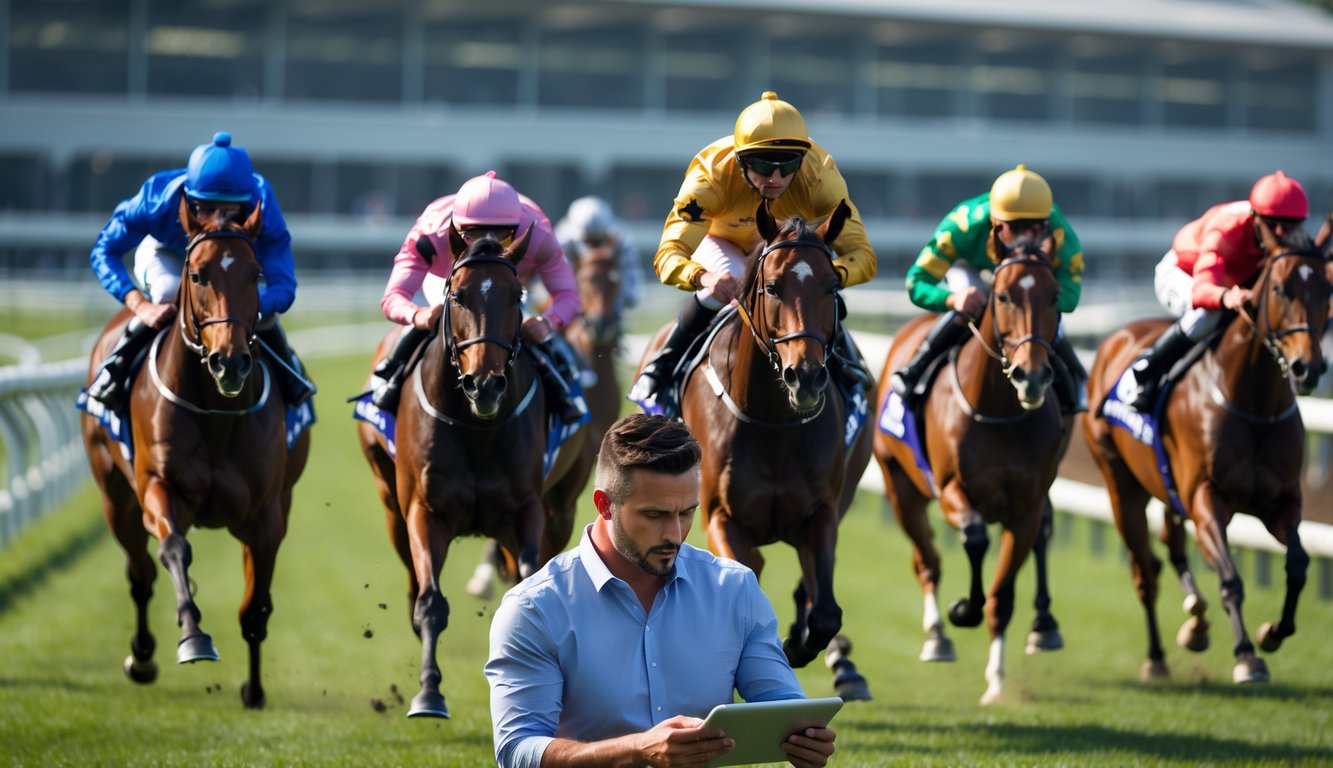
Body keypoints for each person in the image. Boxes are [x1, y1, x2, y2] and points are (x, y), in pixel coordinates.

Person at [485, 413, 837, 768]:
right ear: (605, 505)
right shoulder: (534, 609)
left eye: (686, 513)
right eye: (655, 515)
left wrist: (805, 739)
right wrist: (637, 750)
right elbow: (517, 751)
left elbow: (782, 704)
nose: (675, 534)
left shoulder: (734, 590)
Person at [628, 91, 877, 417]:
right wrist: (703, 276)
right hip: (723, 244)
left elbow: (863, 255)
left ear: (801, 161)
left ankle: (848, 373)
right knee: (731, 281)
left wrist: (829, 278)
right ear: (741, 160)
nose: (774, 178)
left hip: (785, 252)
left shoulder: (820, 178)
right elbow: (668, 255)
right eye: (762, 165)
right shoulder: (710, 178)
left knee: (811, 290)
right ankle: (660, 369)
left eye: (787, 166)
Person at [86, 131, 314, 411]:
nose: (218, 220)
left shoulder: (263, 205)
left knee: (263, 313)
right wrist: (140, 304)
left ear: (246, 204)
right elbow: (104, 250)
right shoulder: (158, 197)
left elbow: (284, 286)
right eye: (207, 209)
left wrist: (247, 309)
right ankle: (114, 370)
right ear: (189, 200)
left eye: (230, 212)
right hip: (169, 251)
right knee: (168, 291)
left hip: (234, 263)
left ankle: (291, 376)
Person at [371, 171, 586, 423]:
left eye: (503, 236)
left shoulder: (539, 237)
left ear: (516, 230)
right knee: (439, 315)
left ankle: (561, 390)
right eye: (473, 235)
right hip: (447, 279)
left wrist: (546, 322)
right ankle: (390, 377)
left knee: (530, 330)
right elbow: (393, 296)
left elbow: (569, 296)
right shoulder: (431, 235)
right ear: (458, 230)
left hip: (507, 286)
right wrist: (419, 315)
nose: (489, 242)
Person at [889, 164, 1088, 414]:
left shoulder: (1061, 235)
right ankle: (915, 369)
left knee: (1044, 314)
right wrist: (952, 299)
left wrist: (1031, 301)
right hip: (970, 269)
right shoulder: (961, 227)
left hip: (1030, 278)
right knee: (972, 305)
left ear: (1046, 224)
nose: (1024, 237)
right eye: (1014, 229)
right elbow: (916, 282)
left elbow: (1069, 299)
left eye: (1035, 229)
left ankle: (1076, 381)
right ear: (995, 222)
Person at [1122, 171, 1309, 411]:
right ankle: (1145, 372)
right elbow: (1202, 290)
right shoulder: (1227, 230)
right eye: (1273, 226)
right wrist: (1226, 296)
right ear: (1256, 218)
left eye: (1291, 226)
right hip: (1184, 273)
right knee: (1207, 317)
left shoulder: (1288, 238)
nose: (1283, 235)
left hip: (1233, 282)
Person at [554, 195, 645, 319]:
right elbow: (556, 281)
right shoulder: (562, 240)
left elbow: (632, 288)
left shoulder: (621, 238)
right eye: (588, 241)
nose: (594, 248)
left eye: (598, 241)